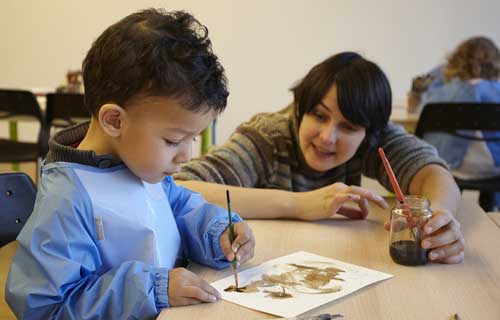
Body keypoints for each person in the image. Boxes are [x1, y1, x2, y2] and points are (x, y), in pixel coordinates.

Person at [6, 9, 255, 320]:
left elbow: (180, 208)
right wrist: (154, 289)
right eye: (173, 140)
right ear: (115, 121)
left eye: (192, 138)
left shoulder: (138, 163)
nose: (187, 155)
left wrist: (220, 232)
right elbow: (48, 313)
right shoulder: (67, 199)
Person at [174, 52, 464, 264]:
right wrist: (299, 204)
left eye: (348, 127)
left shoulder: (378, 138)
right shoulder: (268, 137)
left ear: (369, 133)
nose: (327, 137)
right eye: (318, 116)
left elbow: (434, 174)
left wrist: (436, 220)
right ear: (301, 108)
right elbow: (181, 188)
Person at [408, 36, 500, 210]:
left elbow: (415, 108)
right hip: (495, 170)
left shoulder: (439, 96)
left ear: (456, 61)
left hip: (448, 166)